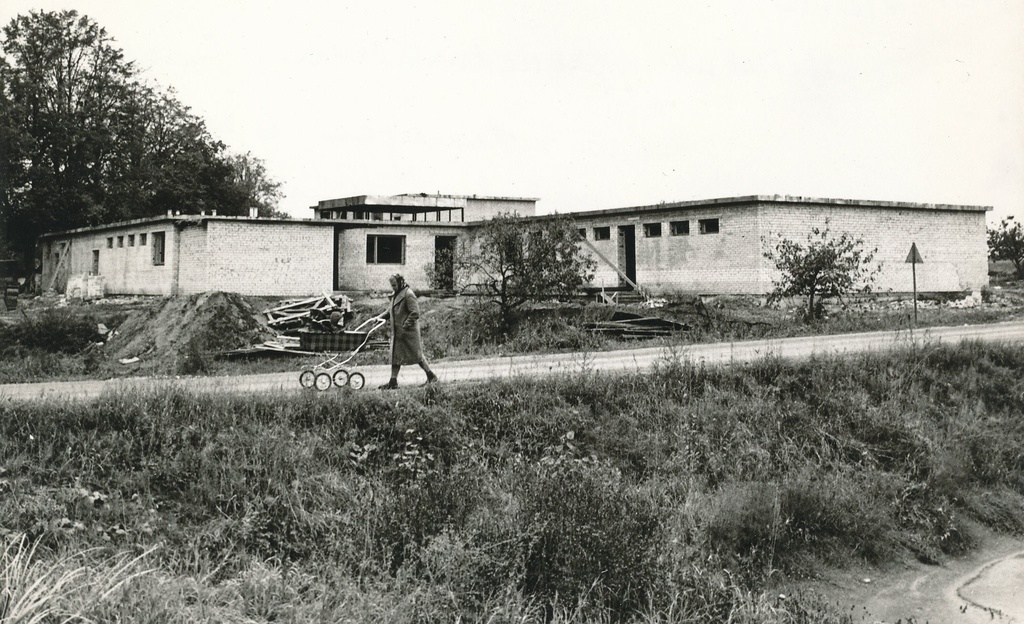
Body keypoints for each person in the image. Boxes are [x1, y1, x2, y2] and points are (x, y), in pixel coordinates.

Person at [378, 274, 438, 389]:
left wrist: (405, 325)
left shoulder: (408, 294)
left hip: (408, 333)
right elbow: (389, 310)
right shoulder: (396, 295)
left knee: (417, 356)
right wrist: (379, 317)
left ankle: (431, 376)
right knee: (396, 356)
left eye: (394, 285)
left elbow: (415, 312)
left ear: (400, 282)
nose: (393, 287)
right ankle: (393, 381)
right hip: (399, 333)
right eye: (392, 285)